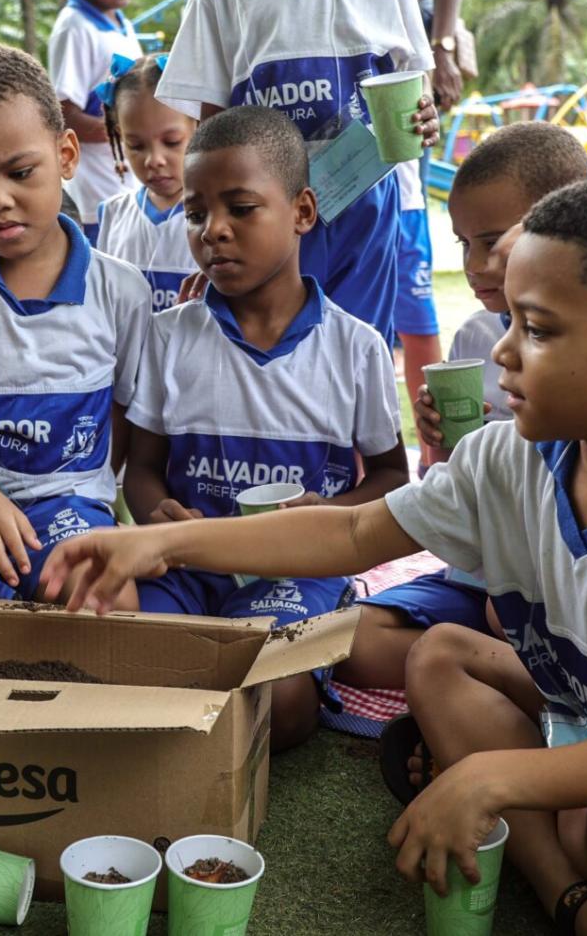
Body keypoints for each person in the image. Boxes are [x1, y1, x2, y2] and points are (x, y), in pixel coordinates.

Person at [42, 166, 587, 933]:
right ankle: (576, 899)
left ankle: (573, 849)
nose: (501, 352)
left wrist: (488, 779)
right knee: (444, 655)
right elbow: (350, 533)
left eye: (536, 328)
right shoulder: (511, 455)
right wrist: (161, 540)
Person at [125, 106, 407, 752]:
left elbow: (392, 475)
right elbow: (141, 467)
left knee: (279, 700)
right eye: (196, 214)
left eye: (241, 209)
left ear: (303, 212)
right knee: (127, 640)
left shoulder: (356, 348)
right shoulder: (169, 339)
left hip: (295, 569)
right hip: (190, 564)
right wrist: (157, 514)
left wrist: (330, 517)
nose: (213, 231)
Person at [343, 123, 587, 696]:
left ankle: (508, 689)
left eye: (492, 240)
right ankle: (495, 678)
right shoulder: (477, 336)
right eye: (462, 243)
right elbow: (451, 487)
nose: (475, 263)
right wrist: (444, 442)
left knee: (495, 625)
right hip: (482, 572)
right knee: (353, 639)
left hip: (562, 585)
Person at [0, 44, 150, 608]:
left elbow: (128, 418)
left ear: (66, 155)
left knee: (102, 601)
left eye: (19, 172)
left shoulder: (120, 291)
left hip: (71, 511)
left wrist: (98, 502)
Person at [155, 0, 440, 345]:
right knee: (269, 354)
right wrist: (214, 245)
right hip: (260, 218)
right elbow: (211, 136)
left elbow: (416, 80)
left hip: (365, 209)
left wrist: (425, 116)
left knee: (359, 349)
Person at [94, 54, 199, 313]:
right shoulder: (112, 216)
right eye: (136, 146)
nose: (154, 160)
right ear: (119, 136)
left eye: (172, 141)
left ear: (198, 126)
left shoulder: (219, 220)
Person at [48, 0, 142, 240]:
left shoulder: (121, 25)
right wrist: (134, 130)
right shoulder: (75, 27)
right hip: (98, 200)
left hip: (125, 187)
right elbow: (65, 116)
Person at [392, 159, 444, 469]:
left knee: (420, 330)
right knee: (350, 335)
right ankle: (355, 473)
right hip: (332, 205)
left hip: (403, 203)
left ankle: (432, 464)